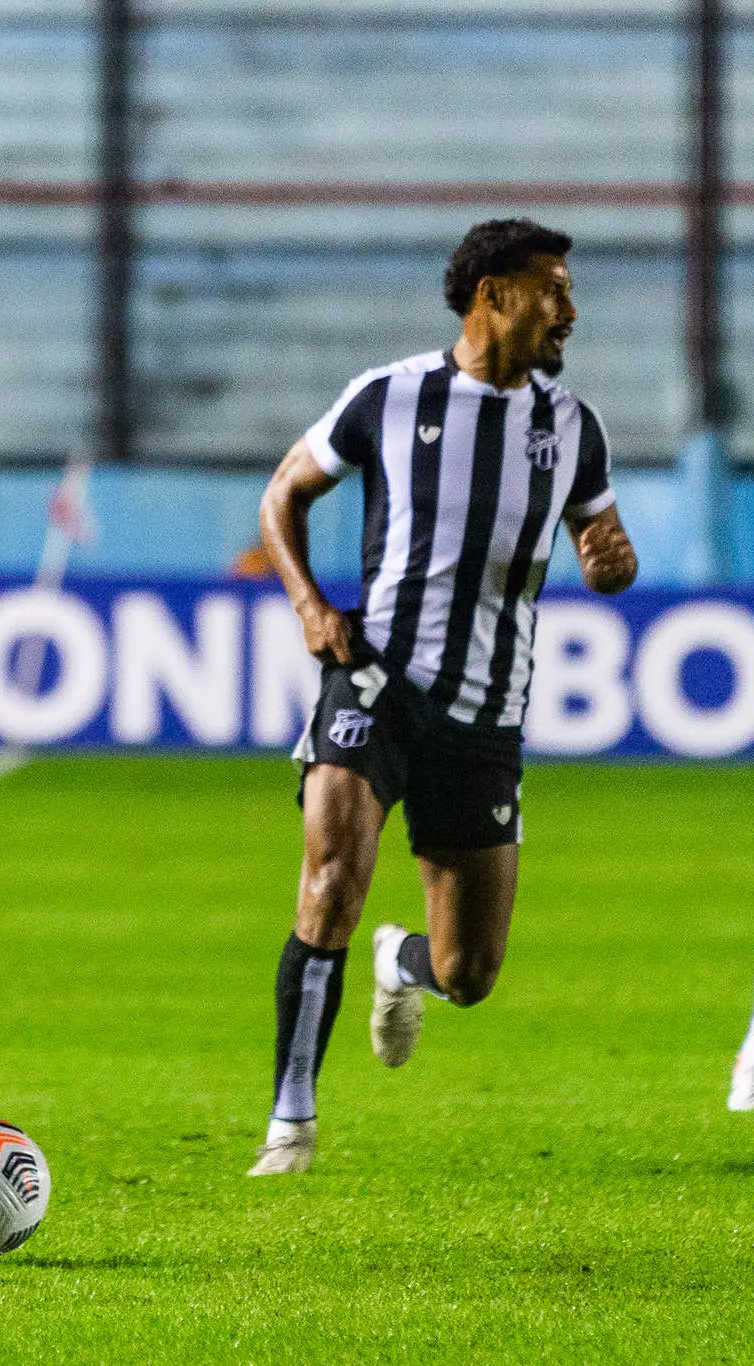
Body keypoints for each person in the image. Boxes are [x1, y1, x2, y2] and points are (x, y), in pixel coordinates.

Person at [248, 218, 638, 1176]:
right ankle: (290, 1124)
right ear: (493, 296)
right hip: (378, 678)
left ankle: (400, 962)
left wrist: (611, 564)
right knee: (330, 881)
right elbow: (283, 495)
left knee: (470, 974)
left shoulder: (574, 428)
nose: (570, 310)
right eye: (554, 289)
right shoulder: (389, 397)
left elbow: (602, 549)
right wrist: (309, 605)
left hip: (487, 713)